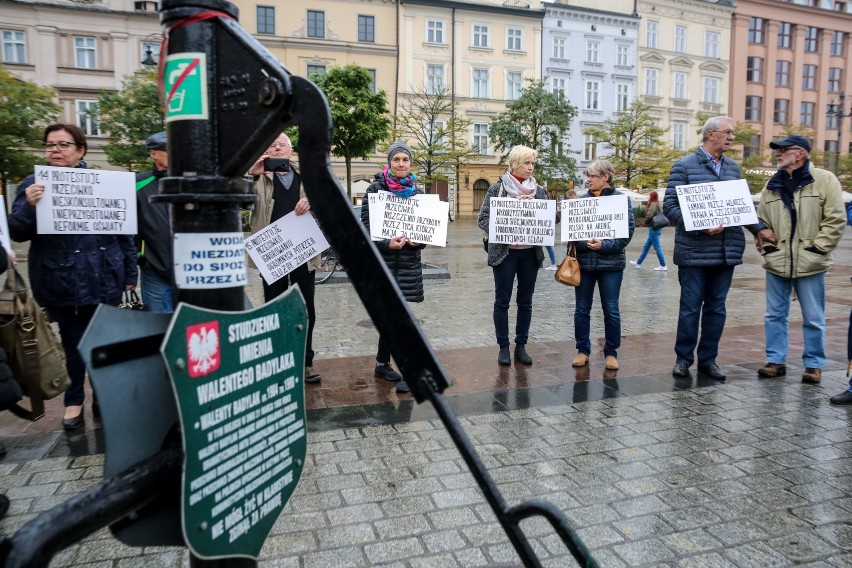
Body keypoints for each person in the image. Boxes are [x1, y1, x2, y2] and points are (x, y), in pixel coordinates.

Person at [8, 123, 137, 430]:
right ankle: (74, 400)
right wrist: (29, 205)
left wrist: (130, 273)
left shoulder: (104, 182)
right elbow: (17, 231)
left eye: (63, 144)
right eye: (50, 145)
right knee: (72, 343)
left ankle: (103, 396)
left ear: (80, 150)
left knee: (103, 340)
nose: (55, 150)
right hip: (62, 280)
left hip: (104, 275)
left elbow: (125, 232)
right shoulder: (33, 183)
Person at [664, 116, 772, 381]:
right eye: (728, 132)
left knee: (716, 309)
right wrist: (700, 226)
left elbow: (741, 207)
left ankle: (708, 361)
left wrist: (759, 228)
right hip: (694, 251)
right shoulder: (684, 166)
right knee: (690, 308)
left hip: (725, 252)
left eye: (732, 133)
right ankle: (683, 359)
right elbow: (670, 207)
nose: (732, 137)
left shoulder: (733, 168)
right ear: (711, 134)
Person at [752, 136, 846, 386]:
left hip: (810, 262)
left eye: (783, 150)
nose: (778, 155)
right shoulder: (771, 185)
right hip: (777, 262)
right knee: (774, 315)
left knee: (814, 317)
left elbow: (835, 220)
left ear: (800, 153)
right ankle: (775, 360)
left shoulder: (825, 180)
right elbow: (762, 223)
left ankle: (813, 365)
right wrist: (768, 249)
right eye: (777, 151)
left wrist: (816, 250)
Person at [248, 133, 321, 384]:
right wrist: (251, 175)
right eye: (272, 144)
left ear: (290, 151)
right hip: (272, 254)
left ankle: (305, 362)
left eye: (282, 145)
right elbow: (240, 202)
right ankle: (278, 361)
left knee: (306, 307)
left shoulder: (307, 176)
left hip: (303, 251)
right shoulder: (257, 176)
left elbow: (325, 200)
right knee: (275, 307)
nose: (278, 149)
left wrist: (312, 200)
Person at [360, 141, 425, 393]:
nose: (401, 164)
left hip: (408, 266)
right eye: (396, 159)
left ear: (410, 164)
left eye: (405, 160)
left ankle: (383, 363)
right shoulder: (375, 190)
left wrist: (419, 242)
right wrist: (388, 243)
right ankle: (393, 366)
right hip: (383, 264)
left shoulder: (417, 193)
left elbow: (425, 232)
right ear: (389, 163)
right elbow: (365, 228)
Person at [478, 145, 549, 367]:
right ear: (515, 163)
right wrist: (505, 225)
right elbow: (483, 219)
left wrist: (537, 208)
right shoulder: (498, 189)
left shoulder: (539, 191)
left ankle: (521, 345)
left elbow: (549, 220)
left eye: (532, 163)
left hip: (529, 254)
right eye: (527, 163)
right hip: (505, 255)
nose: (530, 167)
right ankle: (503, 347)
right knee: (502, 301)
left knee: (525, 301)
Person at [570, 159, 634, 371]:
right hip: (585, 264)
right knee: (581, 309)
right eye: (588, 176)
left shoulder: (621, 200)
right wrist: (586, 243)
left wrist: (604, 245)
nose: (588, 180)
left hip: (611, 264)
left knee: (611, 309)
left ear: (605, 177)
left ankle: (611, 352)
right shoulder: (581, 201)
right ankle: (582, 350)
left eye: (593, 176)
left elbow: (627, 233)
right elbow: (573, 236)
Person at [135, 132, 173, 312]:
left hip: (191, 271)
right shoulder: (137, 184)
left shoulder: (192, 181)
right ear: (153, 153)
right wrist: (141, 256)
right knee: (159, 329)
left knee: (191, 328)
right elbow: (123, 226)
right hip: (155, 273)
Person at [630, 191, 667, 271]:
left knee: (657, 248)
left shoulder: (653, 204)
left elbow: (650, 214)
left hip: (653, 229)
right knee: (646, 247)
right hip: (658, 228)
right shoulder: (658, 204)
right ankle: (638, 263)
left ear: (651, 196)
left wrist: (645, 221)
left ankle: (663, 265)